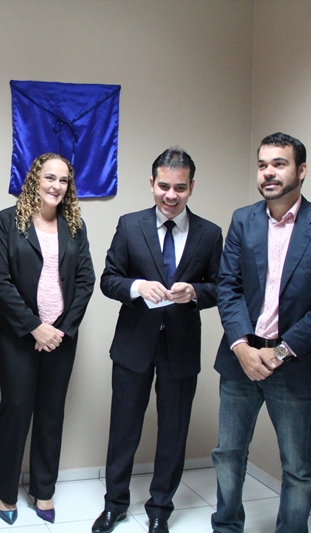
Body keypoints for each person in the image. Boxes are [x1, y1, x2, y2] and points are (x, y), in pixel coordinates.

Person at [212, 132, 311, 533]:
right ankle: (226, 526)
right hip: (241, 361)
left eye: (279, 164)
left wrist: (281, 352)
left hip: (294, 364)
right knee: (228, 454)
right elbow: (228, 287)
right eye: (262, 165)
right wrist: (241, 345)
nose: (268, 172)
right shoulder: (243, 219)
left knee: (296, 468)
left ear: (301, 170)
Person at [91, 147, 223, 533]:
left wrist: (195, 292)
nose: (171, 195)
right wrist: (136, 287)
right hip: (133, 345)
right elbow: (108, 279)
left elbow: (221, 287)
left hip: (181, 348)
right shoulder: (129, 225)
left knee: (173, 432)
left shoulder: (209, 233)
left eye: (179, 188)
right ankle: (115, 504)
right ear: (152, 184)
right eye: (164, 186)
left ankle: (160, 509)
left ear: (191, 187)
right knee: (123, 429)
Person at [0, 152, 94, 524]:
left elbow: (86, 280)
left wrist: (61, 329)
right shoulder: (7, 221)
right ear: (35, 179)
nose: (56, 186)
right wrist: (35, 326)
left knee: (51, 414)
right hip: (18, 336)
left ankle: (43, 490)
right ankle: (6, 493)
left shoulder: (75, 226)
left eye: (63, 180)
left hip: (61, 338)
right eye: (50, 177)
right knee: (16, 411)